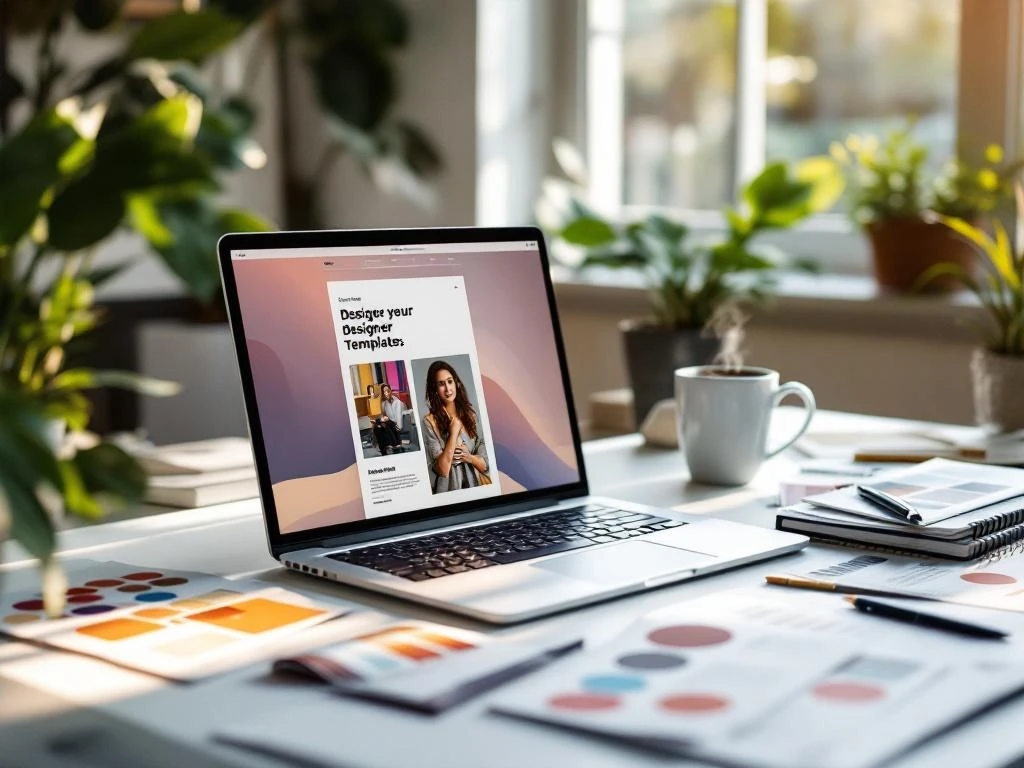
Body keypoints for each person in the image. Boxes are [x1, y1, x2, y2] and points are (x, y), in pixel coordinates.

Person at [422, 360, 490, 492]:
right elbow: (442, 469)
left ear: (456, 382)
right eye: (441, 384)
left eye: (449, 381)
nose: (448, 389)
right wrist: (453, 433)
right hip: (449, 490)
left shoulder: (471, 415)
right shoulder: (429, 421)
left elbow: (485, 462)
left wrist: (469, 458)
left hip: (476, 486)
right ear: (435, 389)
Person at [372, 384, 404, 455]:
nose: (386, 393)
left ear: (391, 391)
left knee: (383, 424)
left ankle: (390, 444)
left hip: (396, 425)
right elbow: (383, 416)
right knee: (377, 427)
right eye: (384, 392)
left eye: (387, 391)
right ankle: (384, 448)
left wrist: (386, 420)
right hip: (388, 424)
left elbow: (399, 424)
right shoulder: (384, 403)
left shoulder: (397, 402)